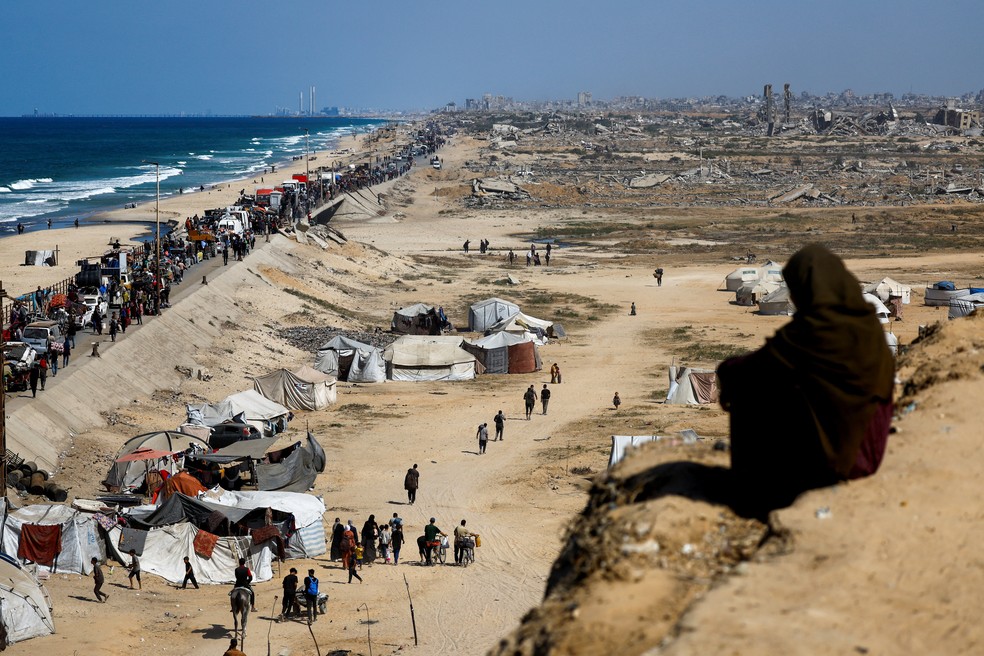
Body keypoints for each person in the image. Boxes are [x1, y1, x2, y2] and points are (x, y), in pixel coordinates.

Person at [717, 244, 895, 513]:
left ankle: (755, 494)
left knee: (747, 389)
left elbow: (750, 370)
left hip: (834, 463)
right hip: (868, 453)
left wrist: (728, 372)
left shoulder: (809, 336)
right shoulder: (868, 327)